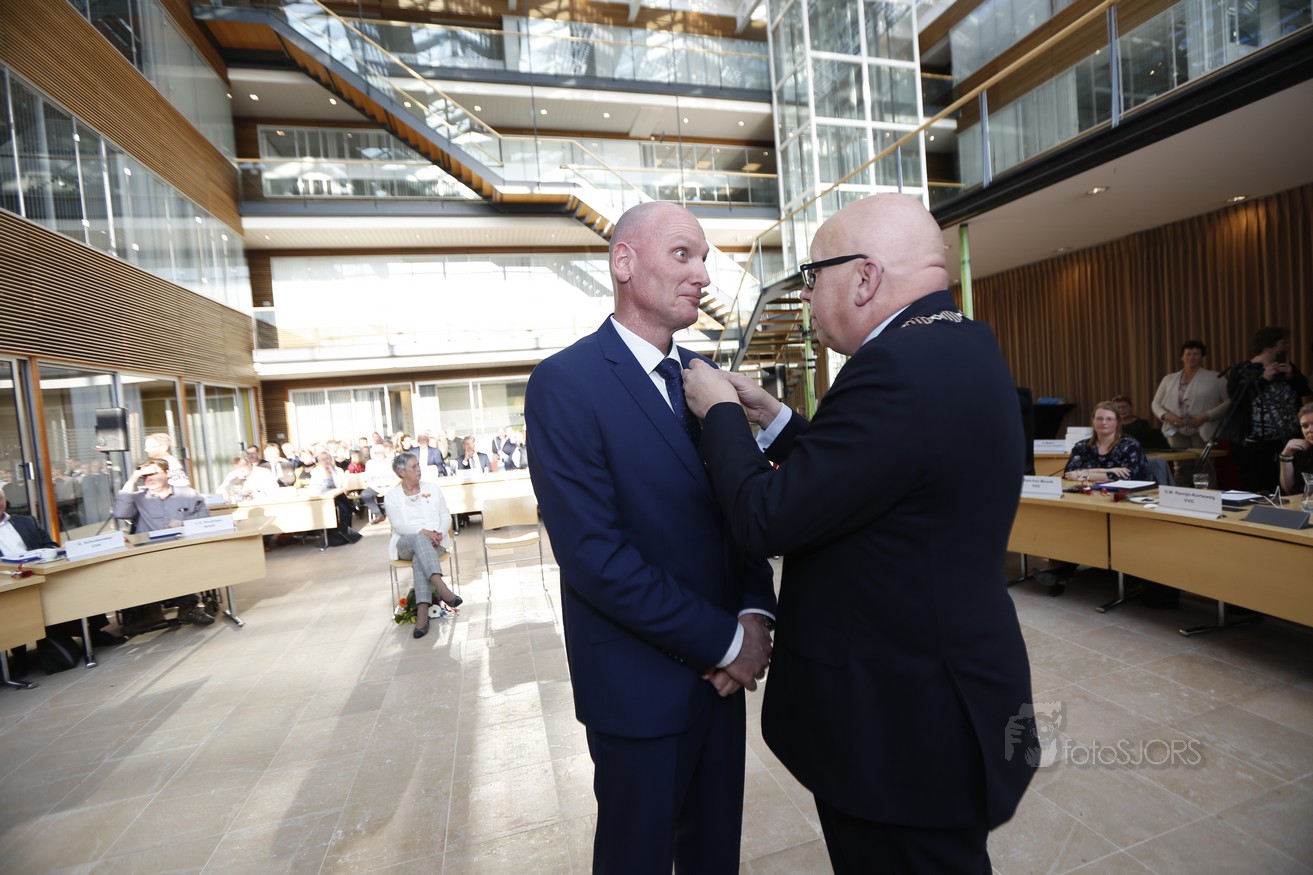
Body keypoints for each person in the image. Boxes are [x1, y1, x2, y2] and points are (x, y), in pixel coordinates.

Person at [683, 193, 1035, 875]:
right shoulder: (959, 344)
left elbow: (765, 517)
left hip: (902, 726)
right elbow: (876, 474)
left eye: (813, 275)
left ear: (865, 277)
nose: (807, 295)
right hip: (947, 695)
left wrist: (721, 413)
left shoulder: (894, 368)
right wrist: (774, 417)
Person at [525, 201, 777, 875]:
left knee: (713, 857)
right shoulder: (565, 383)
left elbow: (742, 509)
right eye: (682, 255)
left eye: (705, 259)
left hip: (721, 686)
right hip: (638, 688)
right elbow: (595, 557)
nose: (703, 276)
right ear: (624, 262)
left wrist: (756, 611)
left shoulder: (706, 380)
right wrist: (728, 641)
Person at [1033, 402, 1150, 596]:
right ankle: (1060, 570)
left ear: (1117, 422)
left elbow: (1129, 476)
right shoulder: (1082, 446)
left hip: (1122, 502)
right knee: (1064, 521)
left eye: (1109, 419)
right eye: (1099, 418)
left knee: (1090, 526)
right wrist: (1108, 471)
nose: (1104, 422)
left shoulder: (1129, 445)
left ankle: (1064, 573)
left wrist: (1085, 473)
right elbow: (1069, 474)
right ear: (1093, 421)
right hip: (1087, 499)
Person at [0, 491, 127, 652]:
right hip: (7, 585)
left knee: (77, 582)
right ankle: (19, 655)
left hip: (39, 574)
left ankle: (94, 634)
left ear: (6, 500)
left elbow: (50, 545)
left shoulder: (26, 521)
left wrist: (47, 554)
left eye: (0, 498)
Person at [112, 457, 215, 629]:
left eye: (154, 473)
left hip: (182, 549)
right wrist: (133, 479)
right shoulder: (138, 498)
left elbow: (205, 517)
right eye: (145, 476)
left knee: (182, 561)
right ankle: (157, 610)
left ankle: (188, 608)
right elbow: (119, 512)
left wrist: (183, 523)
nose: (149, 478)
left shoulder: (187, 494)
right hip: (149, 554)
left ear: (168, 473)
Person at [383, 452, 462, 639]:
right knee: (419, 540)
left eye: (418, 465)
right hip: (405, 543)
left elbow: (445, 516)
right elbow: (399, 526)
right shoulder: (391, 496)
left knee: (420, 557)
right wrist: (425, 533)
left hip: (435, 542)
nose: (419, 469)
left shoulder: (432, 488)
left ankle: (422, 614)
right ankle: (441, 587)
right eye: (414, 467)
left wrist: (439, 533)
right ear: (401, 472)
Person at [1225, 326, 1312, 493]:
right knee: (1253, 483)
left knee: (1281, 483)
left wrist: (1291, 376)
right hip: (1253, 443)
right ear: (1268, 347)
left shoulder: (1287, 366)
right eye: (1282, 343)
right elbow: (1235, 398)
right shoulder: (1243, 369)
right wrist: (1263, 379)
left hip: (1284, 439)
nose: (1286, 346)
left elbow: (1305, 390)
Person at [1150, 340, 1230, 487]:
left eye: (1196, 354)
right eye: (1188, 354)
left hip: (1203, 429)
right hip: (1176, 429)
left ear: (1202, 356)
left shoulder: (1215, 377)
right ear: (1182, 356)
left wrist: (1207, 415)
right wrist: (1168, 416)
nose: (1192, 357)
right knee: (1181, 467)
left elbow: (1228, 402)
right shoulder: (1169, 379)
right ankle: (1181, 495)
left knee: (1205, 466)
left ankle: (1207, 497)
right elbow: (1156, 404)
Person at [308, 451, 361, 546]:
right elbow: (314, 487)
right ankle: (326, 534)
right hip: (322, 497)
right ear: (319, 462)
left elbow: (339, 486)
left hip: (337, 496)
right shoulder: (316, 472)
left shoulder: (338, 470)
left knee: (343, 508)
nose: (326, 461)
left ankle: (343, 534)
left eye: (327, 458)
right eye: (322, 459)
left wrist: (332, 472)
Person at [1277, 402, 1313, 496]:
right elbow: (1290, 491)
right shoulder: (1303, 450)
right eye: (1305, 426)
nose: (1309, 430)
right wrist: (1286, 456)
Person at [359, 444, 397, 524]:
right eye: (377, 452)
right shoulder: (369, 463)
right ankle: (378, 514)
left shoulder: (392, 461)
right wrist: (379, 490)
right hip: (376, 487)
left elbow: (398, 478)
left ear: (384, 452)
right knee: (365, 494)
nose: (379, 454)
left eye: (381, 452)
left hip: (391, 486)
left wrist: (388, 488)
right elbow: (368, 481)